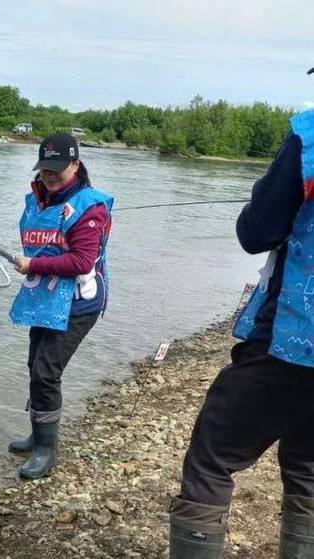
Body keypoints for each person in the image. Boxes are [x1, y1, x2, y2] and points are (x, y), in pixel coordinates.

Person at [169, 107, 314, 558]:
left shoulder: (308, 133)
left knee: (213, 457)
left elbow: (257, 232)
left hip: (295, 340)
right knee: (309, 466)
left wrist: (260, 195)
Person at [8, 133, 113, 479]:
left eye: (57, 170)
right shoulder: (41, 199)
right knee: (33, 365)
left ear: (75, 165)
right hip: (46, 298)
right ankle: (38, 432)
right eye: (44, 170)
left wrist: (32, 265)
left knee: (46, 372)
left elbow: (83, 261)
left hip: (78, 305)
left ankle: (46, 450)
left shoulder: (89, 208)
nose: (49, 177)